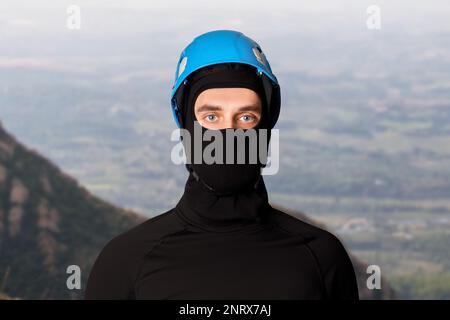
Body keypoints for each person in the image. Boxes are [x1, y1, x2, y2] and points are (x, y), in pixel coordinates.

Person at [85, 30, 359, 300]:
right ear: (187, 128)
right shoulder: (124, 263)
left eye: (247, 117)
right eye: (212, 117)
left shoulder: (323, 258)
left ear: (265, 128)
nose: (229, 133)